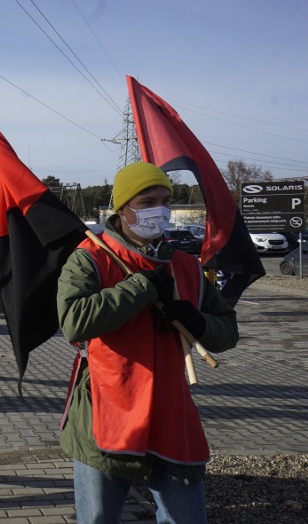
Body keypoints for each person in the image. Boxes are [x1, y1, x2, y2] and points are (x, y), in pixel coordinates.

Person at [56, 162, 239, 524]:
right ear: (123, 207)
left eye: (165, 200)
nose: (161, 209)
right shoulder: (91, 257)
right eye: (148, 200)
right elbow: (74, 322)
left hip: (170, 411)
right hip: (106, 411)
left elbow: (227, 332)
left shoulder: (186, 266)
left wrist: (195, 320)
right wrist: (140, 288)